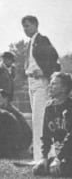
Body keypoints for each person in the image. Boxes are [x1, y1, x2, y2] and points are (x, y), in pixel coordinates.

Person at [22, 15, 61, 161]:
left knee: (40, 119)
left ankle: (43, 157)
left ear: (35, 25)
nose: (25, 29)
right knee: (36, 120)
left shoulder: (42, 40)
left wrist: (44, 72)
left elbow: (55, 62)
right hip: (32, 83)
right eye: (24, 27)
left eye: (28, 26)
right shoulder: (30, 43)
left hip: (41, 83)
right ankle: (41, 156)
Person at [32, 72, 72, 177]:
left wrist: (58, 158)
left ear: (64, 88)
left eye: (54, 84)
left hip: (69, 151)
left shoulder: (70, 107)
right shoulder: (49, 108)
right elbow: (46, 136)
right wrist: (44, 157)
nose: (50, 86)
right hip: (62, 154)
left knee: (60, 170)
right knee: (39, 170)